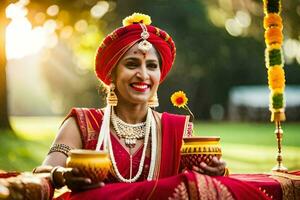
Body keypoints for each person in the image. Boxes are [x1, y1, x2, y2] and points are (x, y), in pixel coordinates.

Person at [33, 13, 270, 200]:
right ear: (112, 74)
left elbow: (196, 186)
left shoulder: (177, 129)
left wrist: (217, 173)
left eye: (152, 66)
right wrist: (63, 175)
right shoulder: (83, 124)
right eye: (132, 64)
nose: (143, 75)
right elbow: (42, 173)